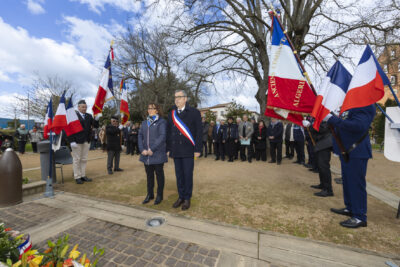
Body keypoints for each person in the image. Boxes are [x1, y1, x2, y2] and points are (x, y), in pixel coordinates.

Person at [326, 105, 375, 228]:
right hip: (347, 150)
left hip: (357, 151)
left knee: (356, 184)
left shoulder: (365, 105)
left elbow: (357, 126)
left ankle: (360, 216)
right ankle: (350, 208)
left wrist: (333, 119)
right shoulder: (351, 105)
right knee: (347, 182)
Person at [167, 89, 202, 211]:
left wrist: (197, 149)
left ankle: (187, 198)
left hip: (188, 150)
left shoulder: (194, 112)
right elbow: (169, 133)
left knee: (187, 175)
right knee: (179, 175)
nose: (177, 99)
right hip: (176, 150)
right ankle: (181, 196)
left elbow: (198, 132)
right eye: (175, 97)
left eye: (180, 97)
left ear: (185, 99)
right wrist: (168, 149)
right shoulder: (171, 114)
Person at [139, 103, 167, 205]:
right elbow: (140, 136)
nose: (150, 110)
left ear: (157, 110)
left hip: (157, 154)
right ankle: (149, 194)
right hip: (146, 155)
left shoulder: (162, 122)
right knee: (149, 176)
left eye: (152, 108)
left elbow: (162, 136)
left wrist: (152, 148)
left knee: (159, 175)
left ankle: (159, 195)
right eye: (149, 108)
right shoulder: (144, 123)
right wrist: (142, 149)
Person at [68, 100, 98, 184]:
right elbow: (69, 128)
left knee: (84, 159)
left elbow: (95, 125)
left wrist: (97, 118)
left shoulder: (89, 116)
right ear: (78, 107)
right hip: (76, 141)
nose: (84, 108)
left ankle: (83, 175)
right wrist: (71, 141)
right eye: (83, 107)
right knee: (77, 159)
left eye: (85, 107)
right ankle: (77, 176)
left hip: (86, 140)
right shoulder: (73, 116)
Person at [307, 120, 333, 197]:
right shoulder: (321, 117)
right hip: (320, 144)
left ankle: (328, 190)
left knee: (324, 167)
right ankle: (323, 185)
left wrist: (310, 125)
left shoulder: (326, 118)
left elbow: (322, 129)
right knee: (320, 166)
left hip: (325, 144)